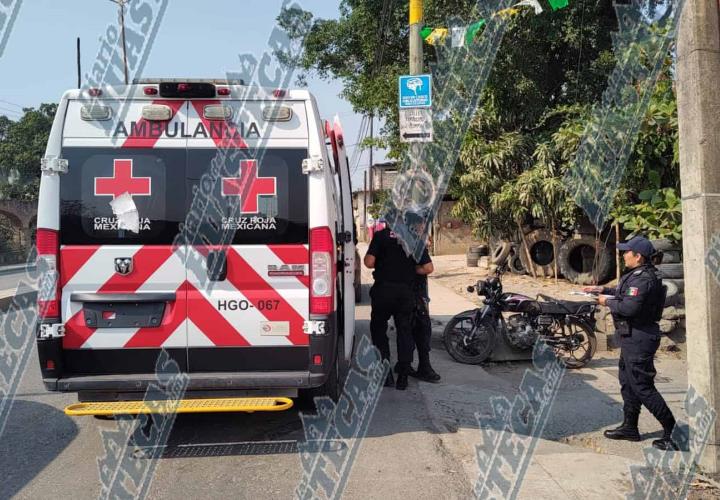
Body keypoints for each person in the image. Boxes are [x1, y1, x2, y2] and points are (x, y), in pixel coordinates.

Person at [583, 236, 677, 451]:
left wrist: (605, 301)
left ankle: (673, 431)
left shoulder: (644, 279)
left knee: (643, 386)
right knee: (627, 382)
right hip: (631, 337)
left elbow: (629, 308)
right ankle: (630, 427)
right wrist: (601, 290)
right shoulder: (637, 275)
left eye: (627, 252)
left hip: (640, 338)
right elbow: (623, 293)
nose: (623, 254)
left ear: (638, 256)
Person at [364, 212, 433, 391]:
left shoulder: (380, 236)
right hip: (405, 293)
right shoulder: (414, 239)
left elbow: (369, 263)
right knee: (405, 331)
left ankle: (386, 374)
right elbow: (428, 268)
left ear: (387, 222)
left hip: (383, 291)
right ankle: (403, 375)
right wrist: (411, 270)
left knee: (378, 330)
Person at [408, 233, 441, 383]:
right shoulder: (416, 242)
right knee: (422, 329)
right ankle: (424, 367)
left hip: (396, 291)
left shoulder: (388, 239)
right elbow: (429, 268)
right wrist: (412, 270)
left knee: (405, 329)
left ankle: (404, 365)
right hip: (415, 294)